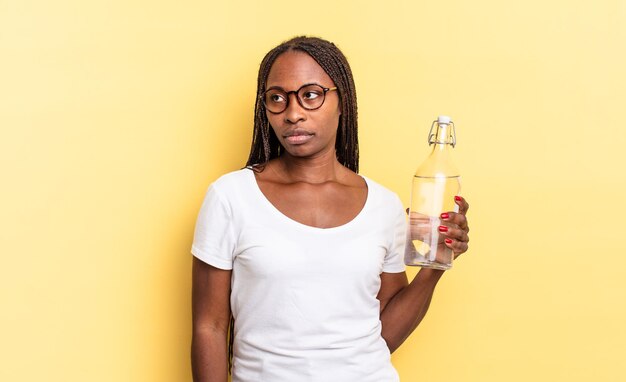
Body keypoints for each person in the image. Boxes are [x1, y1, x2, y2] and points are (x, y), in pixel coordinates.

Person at [191, 36, 470, 382]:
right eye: (277, 98)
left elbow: (384, 335)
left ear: (343, 102)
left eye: (310, 95)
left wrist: (434, 267)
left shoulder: (383, 206)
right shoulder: (231, 197)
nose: (293, 114)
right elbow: (210, 327)